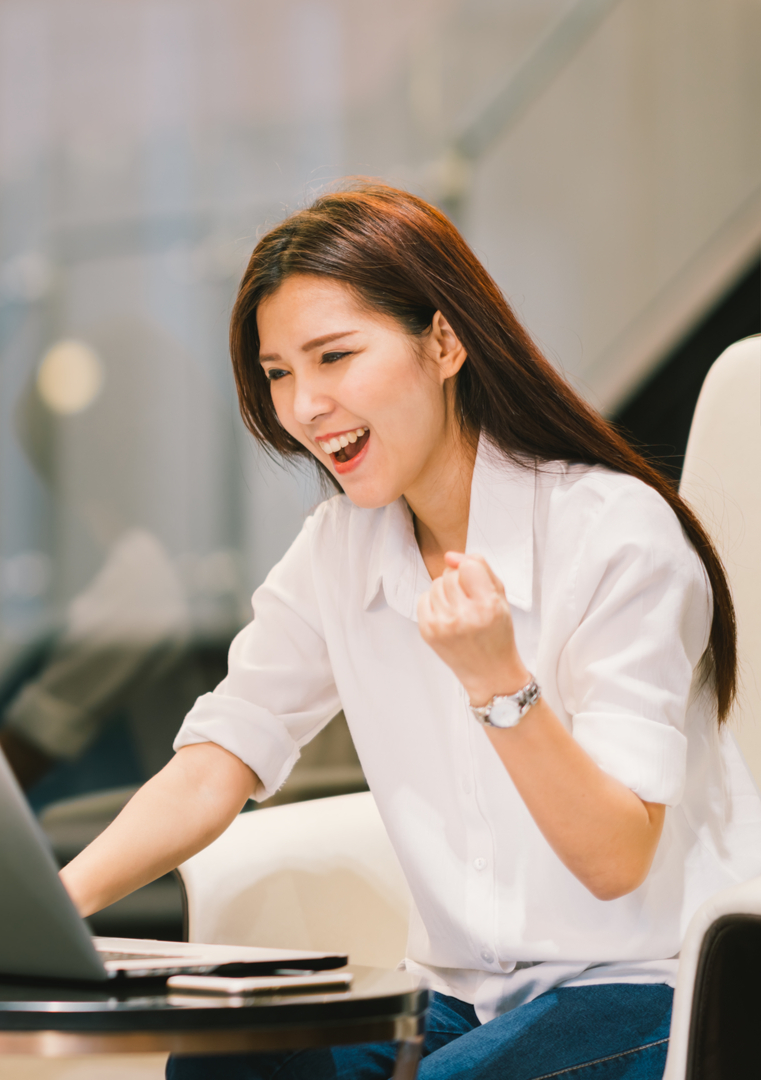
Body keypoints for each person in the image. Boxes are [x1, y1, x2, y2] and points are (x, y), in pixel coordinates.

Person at [58, 183, 761, 1080]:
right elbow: (215, 762)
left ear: (444, 340)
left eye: (335, 356)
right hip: (457, 1001)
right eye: (279, 372)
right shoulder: (339, 548)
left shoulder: (615, 534)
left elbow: (617, 856)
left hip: (652, 991)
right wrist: (50, 910)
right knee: (223, 1067)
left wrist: (498, 680)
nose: (306, 404)